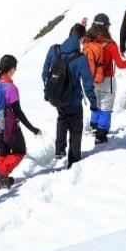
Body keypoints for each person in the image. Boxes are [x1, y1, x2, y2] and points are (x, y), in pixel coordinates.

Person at [42, 24, 98, 168]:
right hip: (73, 100)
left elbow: (44, 73)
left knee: (62, 118)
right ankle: (74, 160)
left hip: (56, 98)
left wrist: (53, 89)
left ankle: (59, 149)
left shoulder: (54, 50)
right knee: (75, 128)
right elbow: (87, 84)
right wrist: (93, 102)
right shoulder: (80, 59)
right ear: (81, 39)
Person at [0, 54, 42, 189]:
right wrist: (33, 129)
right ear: (11, 69)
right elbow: (18, 112)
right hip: (7, 125)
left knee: (3, 150)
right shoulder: (11, 88)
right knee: (20, 151)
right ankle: (1, 176)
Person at [82, 14, 126, 144]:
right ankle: (101, 136)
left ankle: (95, 128)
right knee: (106, 108)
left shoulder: (87, 41)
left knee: (96, 104)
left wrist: (82, 25)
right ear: (107, 27)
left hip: (91, 79)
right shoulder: (111, 45)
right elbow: (121, 64)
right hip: (107, 80)